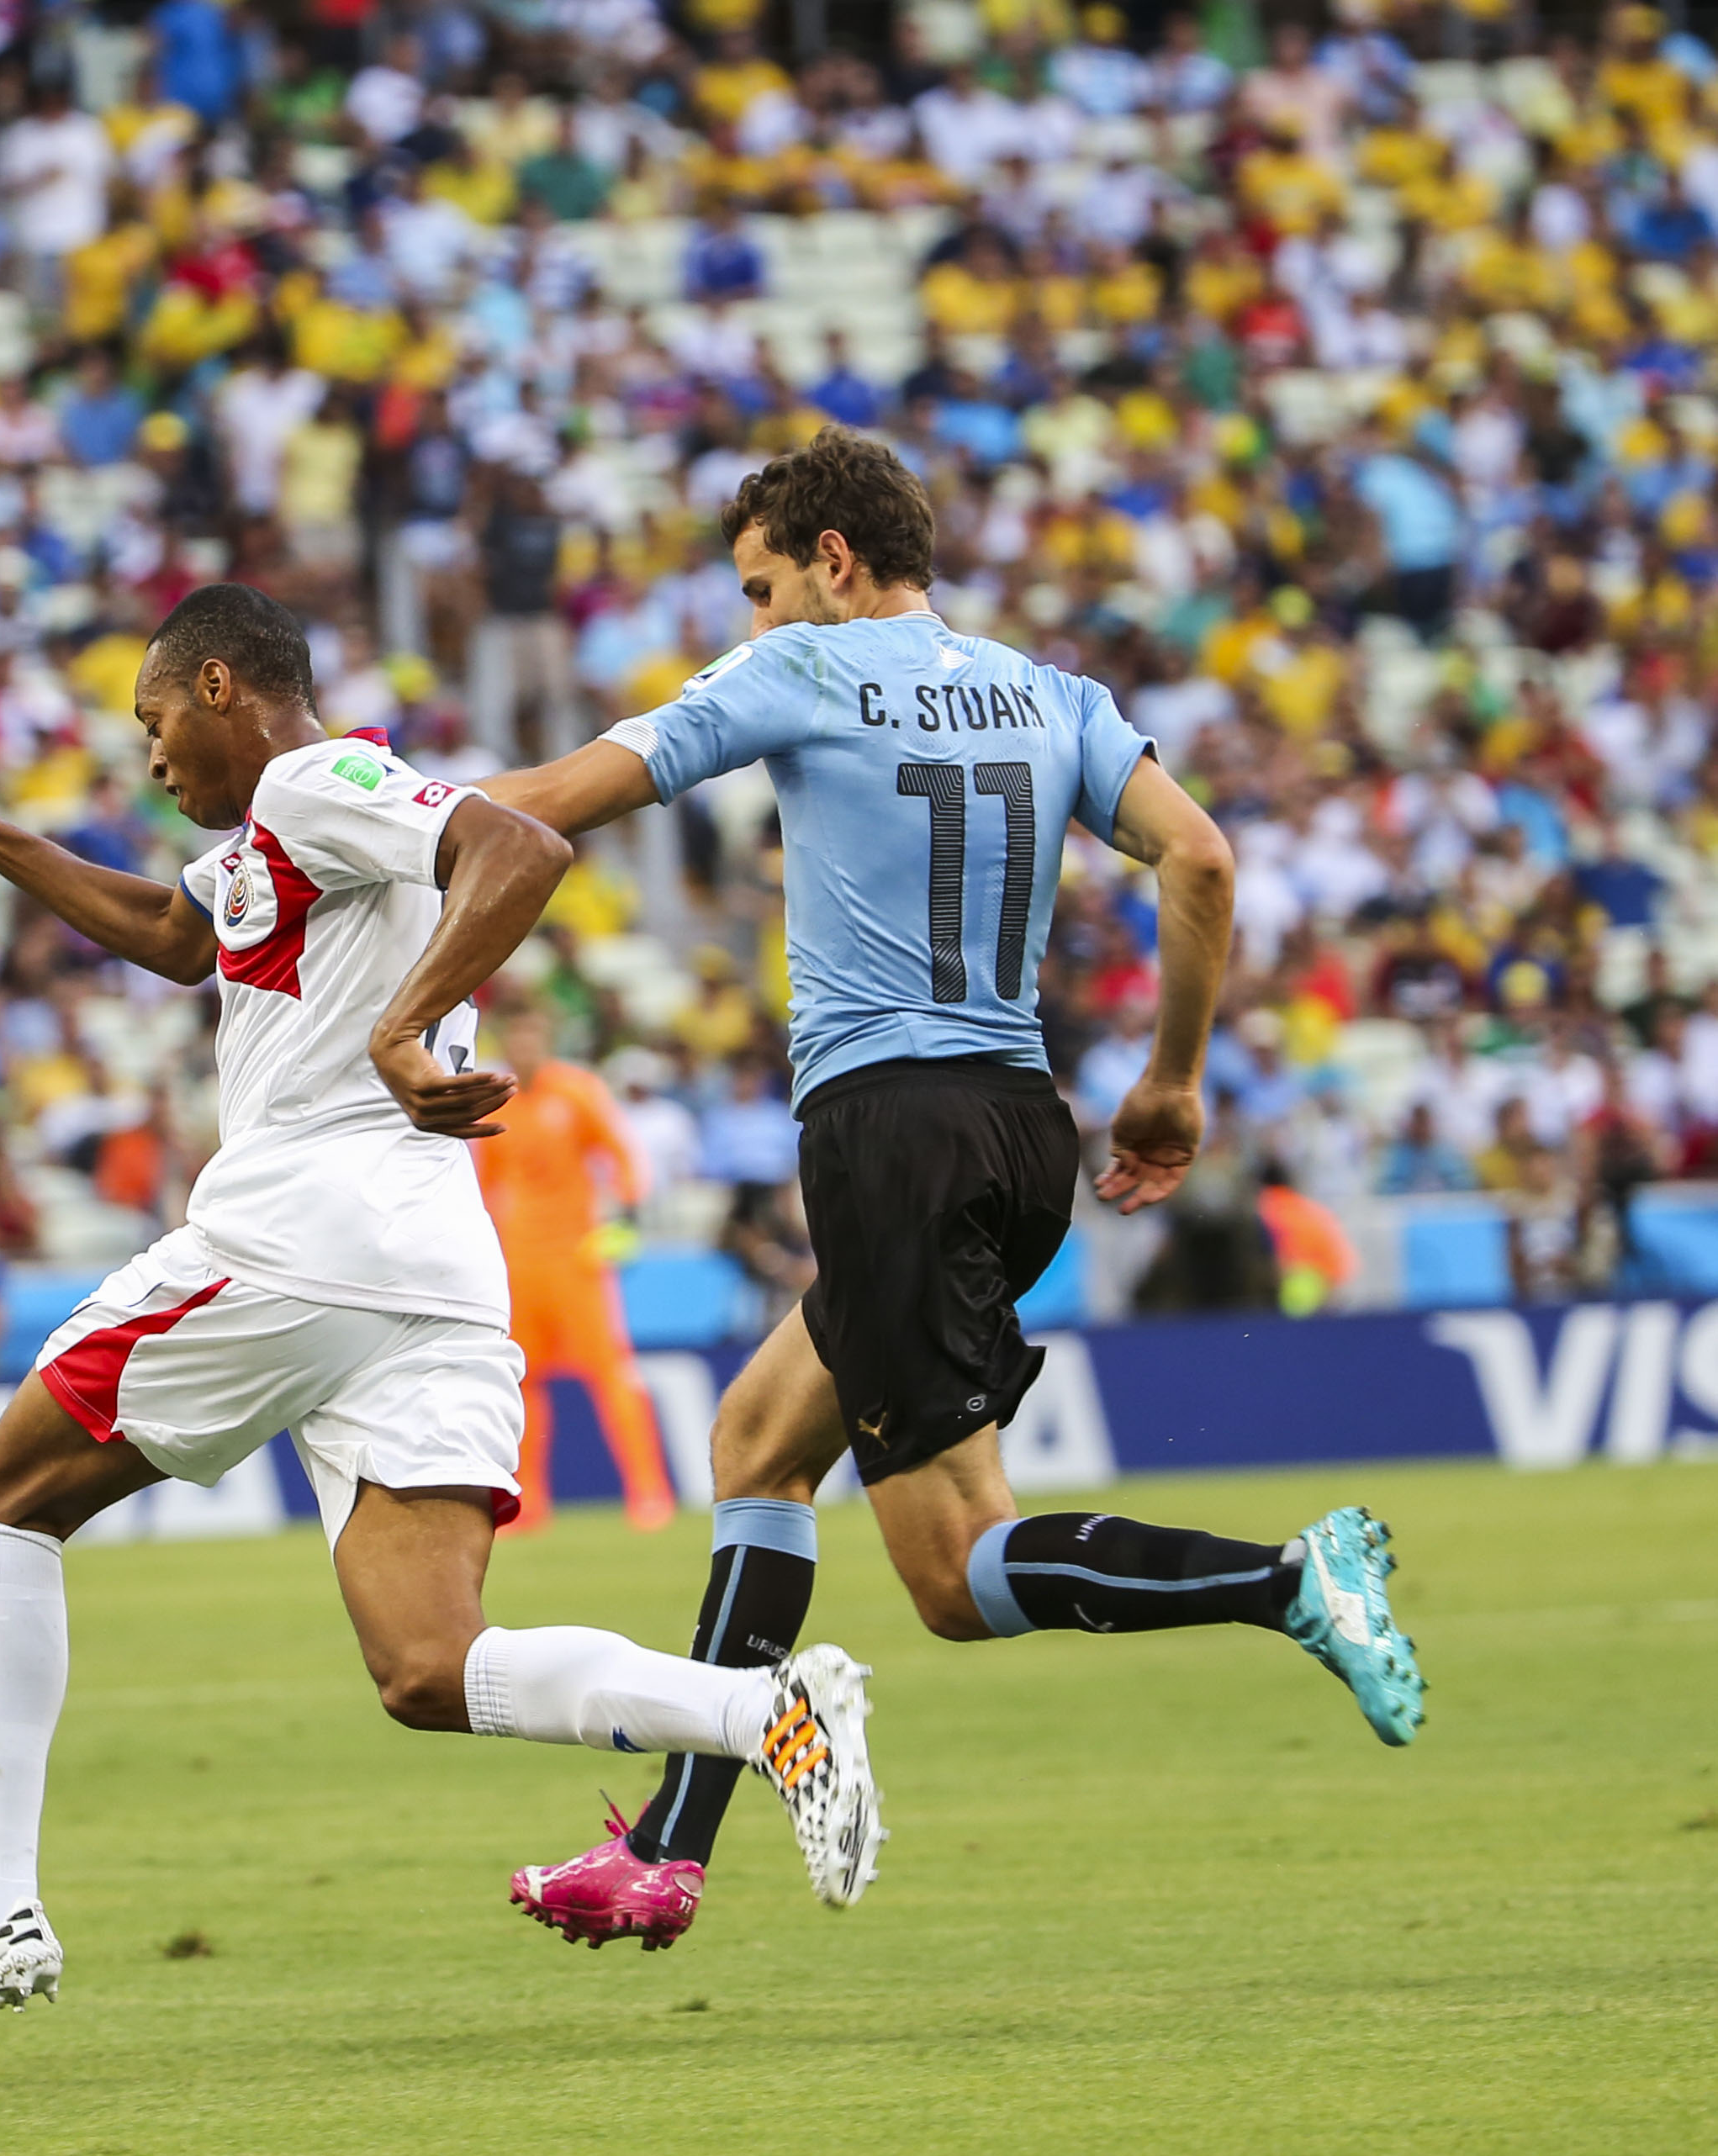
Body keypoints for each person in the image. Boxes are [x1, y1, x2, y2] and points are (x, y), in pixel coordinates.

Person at [0, 584, 885, 2066]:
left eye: (151, 724)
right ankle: (761, 1710)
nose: (149, 760)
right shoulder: (277, 837)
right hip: (429, 1264)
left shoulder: (311, 778)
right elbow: (164, 929)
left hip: (300, 1230)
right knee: (425, 1664)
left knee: (4, 1496)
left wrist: (401, 1028)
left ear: (217, 684)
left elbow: (519, 845)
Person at [478, 428, 1426, 1953]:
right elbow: (1199, 861)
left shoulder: (799, 672)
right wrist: (1173, 1080)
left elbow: (560, 796)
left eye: (759, 585)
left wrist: (358, 822)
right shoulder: (1054, 697)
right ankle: (670, 1841)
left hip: (888, 1135)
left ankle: (1287, 1580)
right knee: (756, 1441)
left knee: (957, 1571)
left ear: (831, 565)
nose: (749, 620)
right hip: (1017, 1120)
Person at [470, 991, 675, 1531]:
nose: (524, 1045)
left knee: (610, 1376)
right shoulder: (493, 1100)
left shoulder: (577, 1092)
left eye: (533, 1034)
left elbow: (627, 1161)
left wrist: (624, 1219)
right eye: (516, 1035)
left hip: (577, 1260)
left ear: (546, 1039)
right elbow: (483, 1185)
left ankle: (649, 1493)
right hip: (518, 1264)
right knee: (521, 1383)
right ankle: (529, 1501)